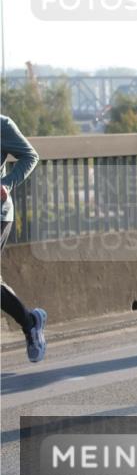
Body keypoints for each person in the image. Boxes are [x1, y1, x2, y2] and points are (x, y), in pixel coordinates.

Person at [1, 115, 47, 362]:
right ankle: (30, 321)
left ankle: (30, 323)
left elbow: (31, 156)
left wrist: (6, 184)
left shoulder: (2, 125)